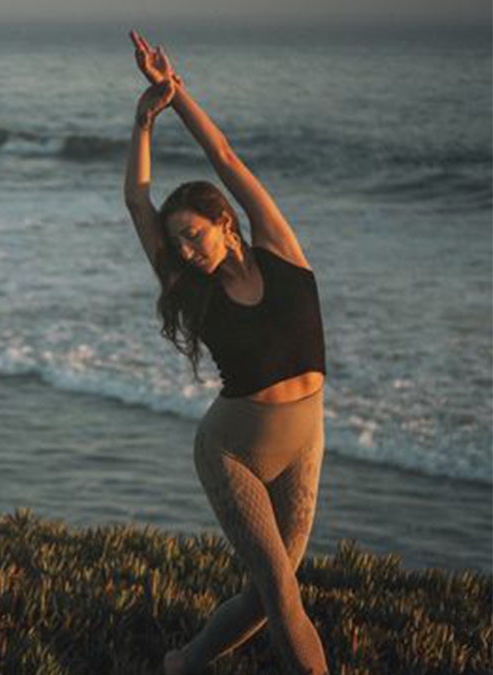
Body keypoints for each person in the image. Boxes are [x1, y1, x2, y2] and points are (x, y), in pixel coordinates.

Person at [123, 30, 330, 675]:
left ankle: (182, 663)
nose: (183, 250)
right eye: (176, 242)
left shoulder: (281, 247)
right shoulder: (194, 289)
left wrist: (173, 91)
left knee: (266, 599)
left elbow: (224, 155)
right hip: (232, 448)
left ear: (225, 223)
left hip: (306, 440)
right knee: (281, 591)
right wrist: (141, 124)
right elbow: (137, 200)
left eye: (192, 235)